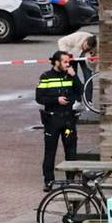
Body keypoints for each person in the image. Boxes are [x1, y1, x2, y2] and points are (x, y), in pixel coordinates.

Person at [35, 51, 79, 190]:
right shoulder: (46, 77)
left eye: (69, 62)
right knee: (50, 151)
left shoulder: (70, 76)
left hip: (68, 120)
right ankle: (48, 180)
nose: (68, 65)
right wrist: (56, 100)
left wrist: (75, 76)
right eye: (65, 62)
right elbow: (39, 98)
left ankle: (70, 179)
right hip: (52, 120)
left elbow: (80, 91)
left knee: (71, 150)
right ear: (56, 62)